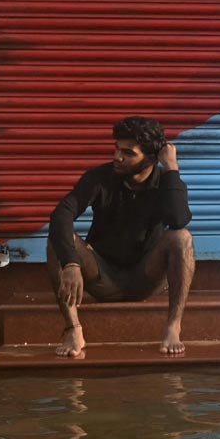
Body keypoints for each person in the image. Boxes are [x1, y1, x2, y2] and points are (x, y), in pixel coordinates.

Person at [46, 116, 195, 359]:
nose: (117, 157)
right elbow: (62, 213)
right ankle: (73, 329)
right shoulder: (99, 177)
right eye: (116, 149)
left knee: (182, 238)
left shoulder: (165, 182)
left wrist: (172, 169)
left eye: (128, 153)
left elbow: (178, 220)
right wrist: (71, 263)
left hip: (145, 278)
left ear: (150, 157)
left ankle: (173, 327)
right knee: (58, 239)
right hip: (102, 277)